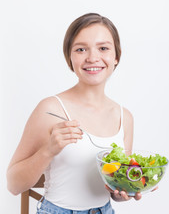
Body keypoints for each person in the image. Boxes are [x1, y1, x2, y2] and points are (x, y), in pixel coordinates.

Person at [7, 13, 142, 214]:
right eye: (81, 49)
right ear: (70, 57)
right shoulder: (50, 109)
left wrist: (125, 191)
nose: (93, 58)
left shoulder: (125, 117)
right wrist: (48, 150)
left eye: (103, 48)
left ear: (116, 57)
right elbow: (13, 184)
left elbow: (115, 184)